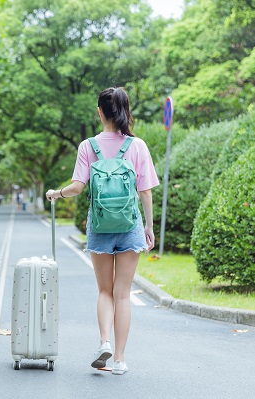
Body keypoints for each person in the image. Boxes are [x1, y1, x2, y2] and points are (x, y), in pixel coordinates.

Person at [46, 87, 158, 376]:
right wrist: (149, 227)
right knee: (123, 294)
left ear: (100, 112)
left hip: (99, 226)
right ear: (125, 110)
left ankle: (104, 341)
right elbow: (144, 191)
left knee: (105, 291)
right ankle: (119, 360)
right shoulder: (137, 146)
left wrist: (56, 194)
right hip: (130, 226)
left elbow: (77, 187)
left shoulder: (88, 146)